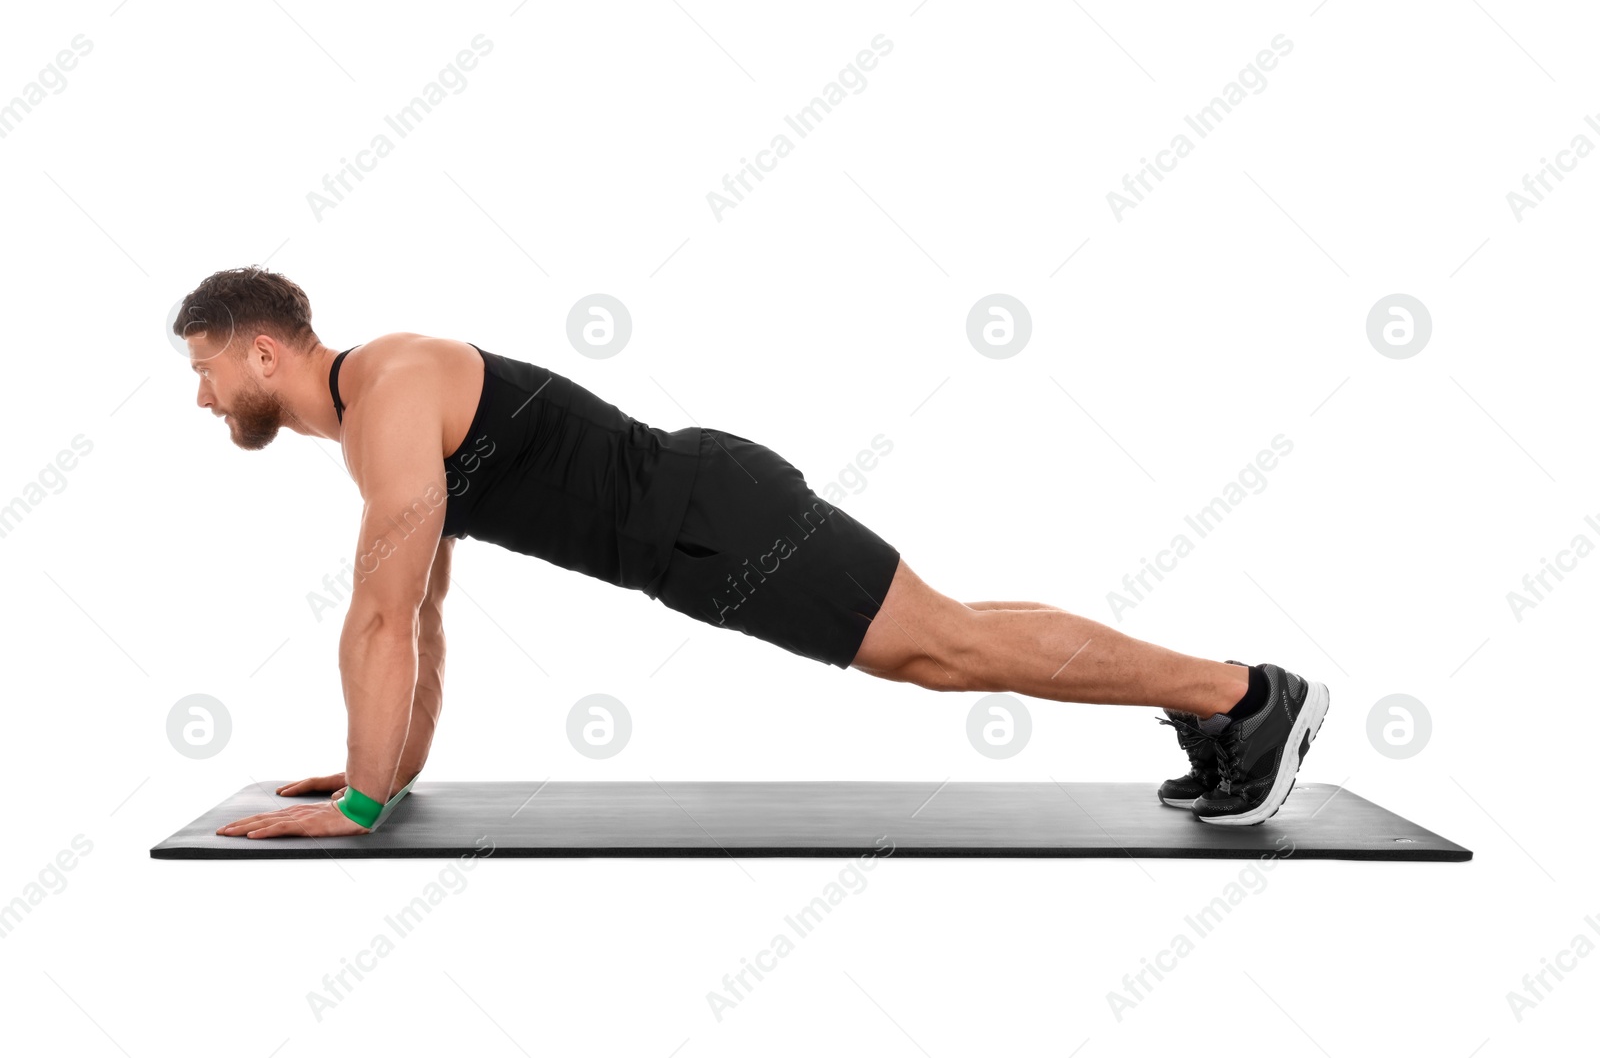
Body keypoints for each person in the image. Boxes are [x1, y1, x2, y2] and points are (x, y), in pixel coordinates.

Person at [177, 266, 1328, 840]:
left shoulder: (390, 391)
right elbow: (418, 618)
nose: (201, 395)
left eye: (206, 368)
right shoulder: (381, 416)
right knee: (945, 638)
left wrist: (368, 804)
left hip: (704, 519)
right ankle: (1234, 705)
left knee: (943, 648)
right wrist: (383, 777)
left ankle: (1243, 698)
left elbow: (379, 619)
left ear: (266, 353)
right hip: (695, 524)